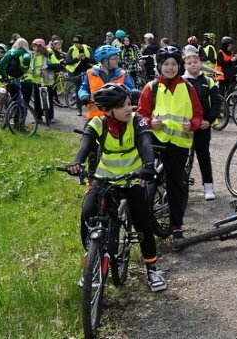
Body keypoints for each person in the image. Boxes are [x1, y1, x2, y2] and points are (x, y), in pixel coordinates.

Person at [67, 83, 166, 292]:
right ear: (108, 110)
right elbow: (86, 144)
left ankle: (152, 269)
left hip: (132, 179)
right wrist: (77, 163)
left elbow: (145, 143)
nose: (129, 109)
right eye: (123, 106)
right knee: (88, 212)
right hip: (105, 180)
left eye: (130, 104)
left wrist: (148, 166)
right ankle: (92, 261)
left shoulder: (137, 121)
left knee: (142, 223)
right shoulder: (98, 123)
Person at [136, 46, 204, 240]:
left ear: (179, 66)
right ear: (160, 66)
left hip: (179, 144)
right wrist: (150, 122)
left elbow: (198, 114)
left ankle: (176, 226)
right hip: (156, 141)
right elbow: (141, 114)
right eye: (166, 64)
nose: (170, 67)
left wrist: (192, 124)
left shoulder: (188, 87)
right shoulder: (152, 87)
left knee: (176, 184)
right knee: (145, 178)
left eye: (174, 64)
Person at [183, 51, 222, 200]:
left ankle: (208, 186)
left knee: (203, 156)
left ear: (201, 64)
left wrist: (210, 120)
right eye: (189, 63)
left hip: (203, 125)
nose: (193, 65)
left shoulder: (208, 81)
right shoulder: (181, 81)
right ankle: (181, 186)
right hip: (185, 126)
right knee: (182, 157)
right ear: (185, 66)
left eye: (195, 62)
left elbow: (216, 102)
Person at [78, 45, 137, 120]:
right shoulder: (91, 73)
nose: (117, 60)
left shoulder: (123, 74)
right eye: (115, 58)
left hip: (117, 117)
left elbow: (131, 89)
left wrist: (136, 94)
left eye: (117, 58)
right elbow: (83, 89)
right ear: (105, 61)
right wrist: (84, 96)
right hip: (95, 118)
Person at [29, 38, 61, 123]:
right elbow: (30, 67)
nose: (33, 48)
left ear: (40, 46)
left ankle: (49, 117)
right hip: (36, 81)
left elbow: (57, 65)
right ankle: (38, 118)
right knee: (37, 101)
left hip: (47, 82)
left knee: (49, 100)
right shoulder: (33, 55)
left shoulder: (49, 54)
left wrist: (48, 66)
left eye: (35, 46)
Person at [0, 38, 34, 108]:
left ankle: (14, 117)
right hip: (26, 80)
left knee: (15, 102)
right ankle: (22, 117)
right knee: (25, 104)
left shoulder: (9, 53)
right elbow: (26, 59)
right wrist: (24, 69)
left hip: (12, 80)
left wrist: (4, 76)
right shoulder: (26, 53)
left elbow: (0, 66)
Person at [65, 35, 94, 116]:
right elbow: (67, 61)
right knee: (79, 90)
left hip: (88, 72)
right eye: (74, 42)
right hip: (77, 73)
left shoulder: (88, 48)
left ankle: (90, 108)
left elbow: (94, 60)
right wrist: (76, 59)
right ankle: (79, 109)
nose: (75, 44)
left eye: (77, 42)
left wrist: (86, 58)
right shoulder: (71, 49)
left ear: (81, 42)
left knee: (90, 90)